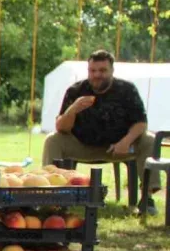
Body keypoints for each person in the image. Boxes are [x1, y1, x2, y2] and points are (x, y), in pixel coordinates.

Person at [42, 49, 158, 213]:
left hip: (119, 148)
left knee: (149, 140)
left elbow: (140, 123)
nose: (97, 75)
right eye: (93, 71)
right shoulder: (76, 91)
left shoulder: (126, 90)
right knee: (52, 140)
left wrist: (125, 142)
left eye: (102, 70)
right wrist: (72, 110)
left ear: (112, 71)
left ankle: (147, 197)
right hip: (83, 146)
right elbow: (61, 128)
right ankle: (51, 198)